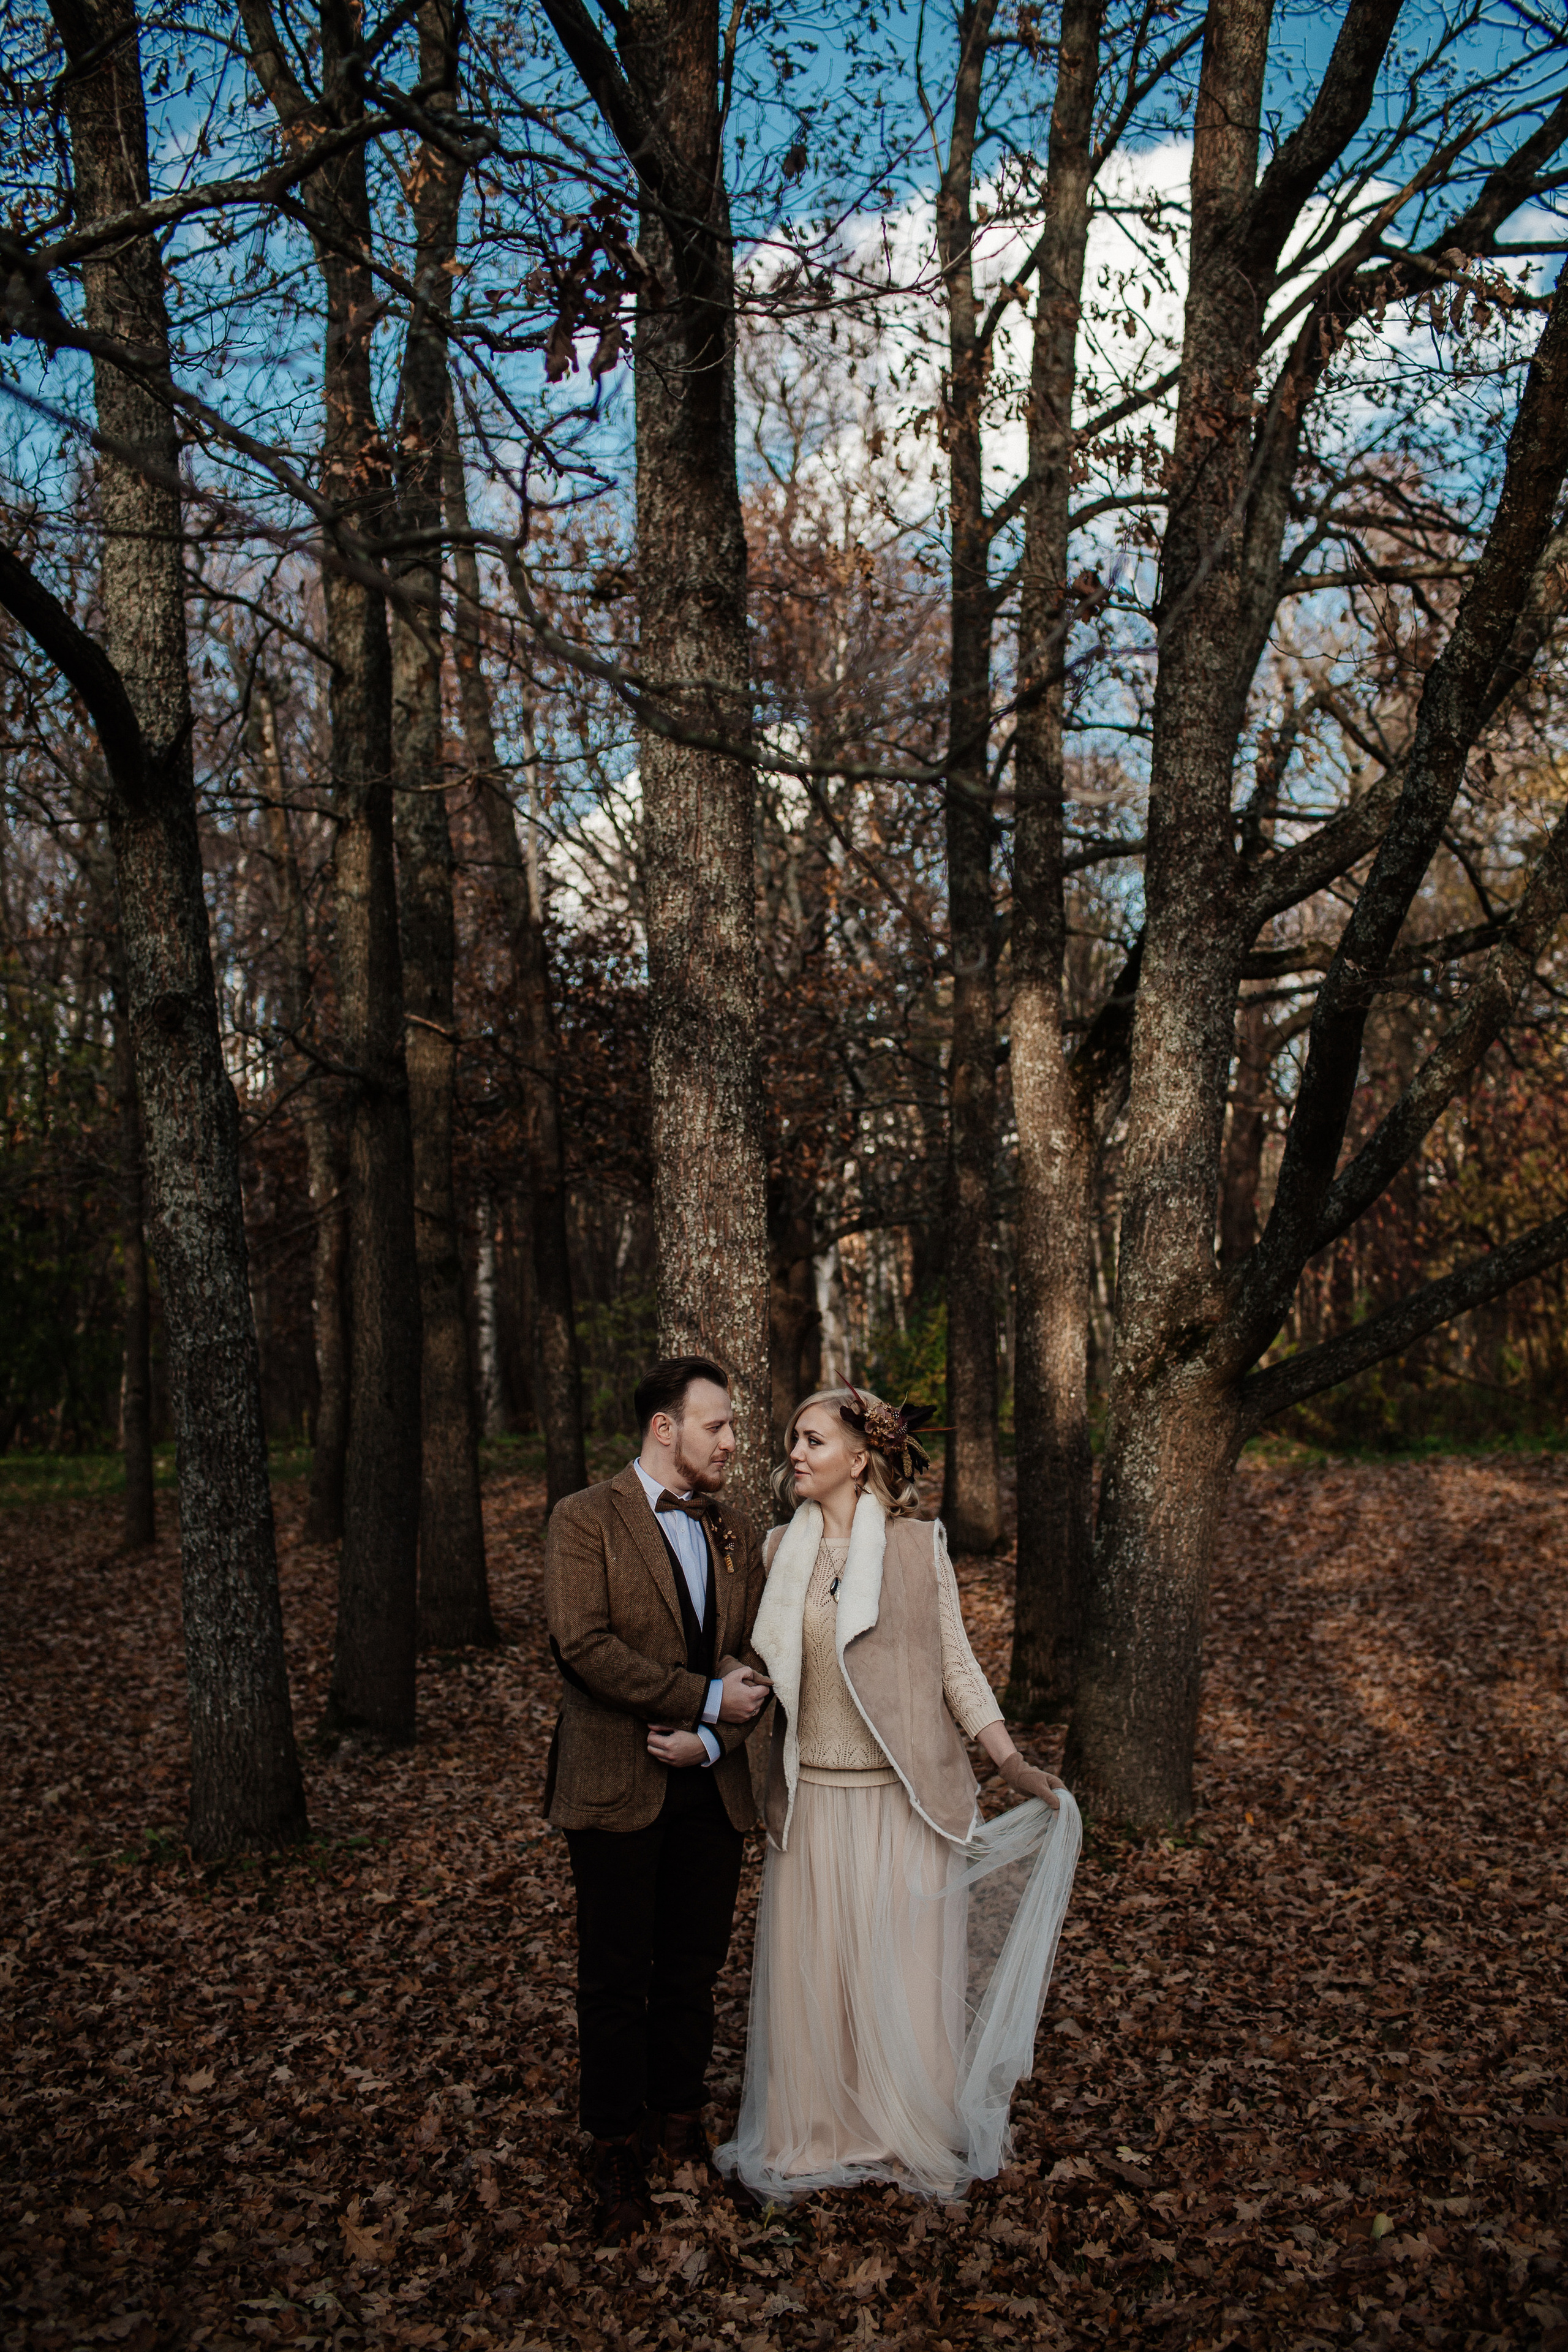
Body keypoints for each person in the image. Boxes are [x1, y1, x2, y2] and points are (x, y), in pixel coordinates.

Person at [716, 1385, 1082, 2202]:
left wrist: (1013, 1763)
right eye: (792, 1442)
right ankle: (817, 2129)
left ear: (860, 1456)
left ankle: (895, 2125)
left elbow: (957, 1668)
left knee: (903, 1973)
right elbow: (751, 1672)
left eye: (812, 1441)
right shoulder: (781, 1550)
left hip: (902, 1800)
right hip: (810, 1801)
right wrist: (703, 1721)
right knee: (820, 1972)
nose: (796, 1456)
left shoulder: (919, 1550)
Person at [543, 1356, 773, 2242]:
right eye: (716, 1425)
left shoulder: (733, 1527)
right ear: (665, 1428)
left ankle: (680, 2128)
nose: (731, 1441)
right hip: (616, 1782)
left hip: (710, 1785)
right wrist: (702, 1699)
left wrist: (716, 1734)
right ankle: (614, 2147)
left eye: (732, 1426)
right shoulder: (583, 1518)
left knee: (693, 1968)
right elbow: (583, 1646)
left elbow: (752, 1653)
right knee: (613, 1977)